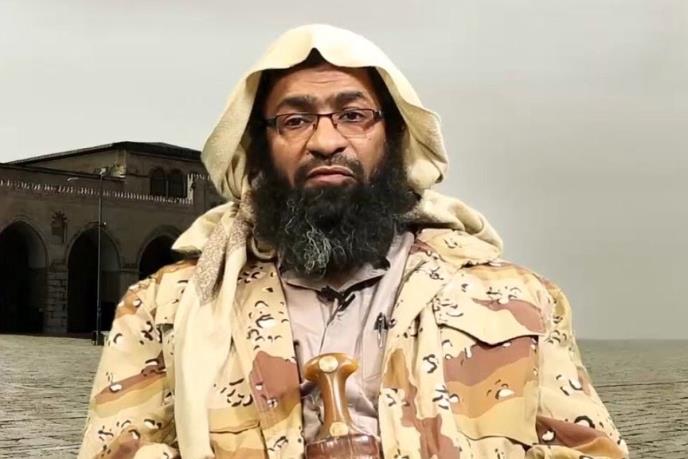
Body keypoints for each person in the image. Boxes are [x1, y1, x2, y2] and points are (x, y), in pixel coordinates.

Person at [78, 24, 628, 459]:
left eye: (353, 115)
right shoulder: (168, 307)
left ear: (394, 136)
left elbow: (591, 451)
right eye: (295, 120)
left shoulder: (518, 303)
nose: (326, 140)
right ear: (260, 146)